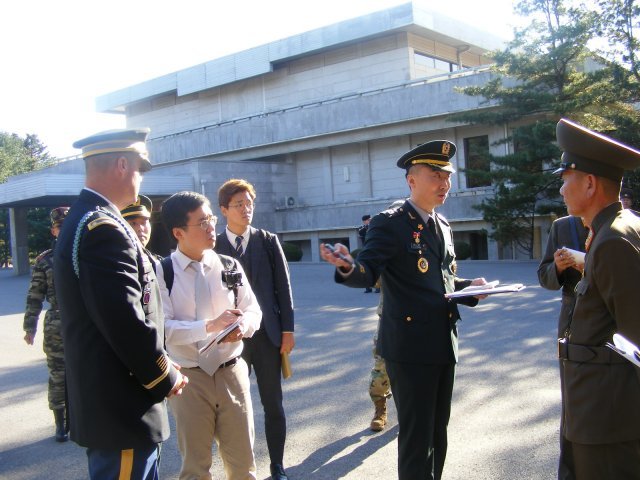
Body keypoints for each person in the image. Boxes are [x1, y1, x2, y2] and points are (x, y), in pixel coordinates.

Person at [320, 140, 487, 480]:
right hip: (410, 349)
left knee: (438, 432)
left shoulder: (442, 225)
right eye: (435, 175)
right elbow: (368, 269)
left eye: (448, 176)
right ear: (412, 181)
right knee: (416, 437)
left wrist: (471, 290)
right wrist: (348, 267)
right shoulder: (390, 223)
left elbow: (440, 283)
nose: (444, 184)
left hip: (443, 343)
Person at [54, 128, 188, 479]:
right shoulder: (103, 229)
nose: (141, 178)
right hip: (122, 406)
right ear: (121, 164)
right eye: (140, 168)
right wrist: (165, 373)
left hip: (117, 405)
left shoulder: (92, 219)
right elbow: (123, 321)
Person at [554, 118, 640, 480]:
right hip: (591, 406)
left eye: (565, 178)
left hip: (607, 418)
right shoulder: (609, 230)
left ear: (589, 183)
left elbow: (636, 338)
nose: (561, 190)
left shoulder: (614, 240)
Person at [158, 191, 262, 480]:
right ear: (178, 232)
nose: (211, 228)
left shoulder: (229, 266)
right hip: (190, 379)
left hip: (231, 372)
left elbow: (253, 310)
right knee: (195, 468)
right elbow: (163, 330)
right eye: (202, 223)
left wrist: (244, 327)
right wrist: (210, 326)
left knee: (243, 466)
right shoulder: (163, 272)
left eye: (211, 220)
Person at [214, 179, 295, 480]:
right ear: (224, 210)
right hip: (231, 339)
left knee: (273, 403)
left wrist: (288, 331)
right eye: (238, 204)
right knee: (233, 405)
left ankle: (277, 465)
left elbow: (283, 289)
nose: (246, 209)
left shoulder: (267, 240)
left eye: (249, 203)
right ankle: (241, 467)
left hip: (268, 336)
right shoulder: (214, 246)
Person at [536, 214, 588, 478]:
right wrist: (556, 267)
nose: (562, 190)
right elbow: (544, 277)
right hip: (572, 319)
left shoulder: (625, 223)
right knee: (572, 403)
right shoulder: (562, 226)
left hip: (613, 322)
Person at [23, 206, 69, 442]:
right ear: (53, 230)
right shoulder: (45, 261)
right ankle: (60, 424)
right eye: (60, 226)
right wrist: (29, 326)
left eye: (68, 225)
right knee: (59, 376)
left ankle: (81, 420)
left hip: (85, 325)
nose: (64, 230)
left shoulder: (85, 255)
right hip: (57, 326)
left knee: (86, 373)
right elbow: (34, 295)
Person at [368, 199, 405, 432]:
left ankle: (410, 411)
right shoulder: (384, 247)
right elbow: (373, 280)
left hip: (420, 321)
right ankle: (380, 409)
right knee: (381, 368)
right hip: (390, 320)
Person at [121, 194, 162, 262]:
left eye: (144, 223)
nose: (140, 228)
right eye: (133, 223)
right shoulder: (113, 262)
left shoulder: (160, 264)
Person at [357, 215, 377, 292]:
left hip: (374, 250)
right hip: (366, 250)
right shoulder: (362, 229)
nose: (370, 220)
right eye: (369, 219)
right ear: (365, 221)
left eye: (370, 219)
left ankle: (377, 287)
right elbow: (363, 234)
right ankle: (368, 287)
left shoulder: (374, 226)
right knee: (365, 269)